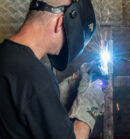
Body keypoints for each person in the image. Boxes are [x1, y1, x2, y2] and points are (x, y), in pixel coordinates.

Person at [0, 0, 105, 139]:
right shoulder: (36, 76)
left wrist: (68, 87)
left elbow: (22, 106)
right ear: (60, 22)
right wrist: (91, 102)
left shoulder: (7, 57)